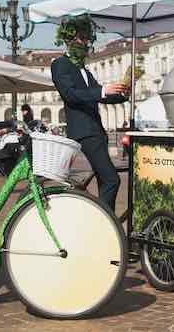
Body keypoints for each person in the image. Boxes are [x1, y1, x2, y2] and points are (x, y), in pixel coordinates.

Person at [50, 15, 128, 212]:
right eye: (81, 38)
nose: (85, 42)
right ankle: (106, 220)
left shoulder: (84, 70)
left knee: (105, 179)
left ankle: (105, 223)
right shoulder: (60, 64)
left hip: (96, 130)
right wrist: (103, 91)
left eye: (87, 38)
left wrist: (122, 94)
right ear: (69, 40)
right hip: (84, 132)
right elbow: (71, 94)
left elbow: (100, 95)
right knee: (112, 179)